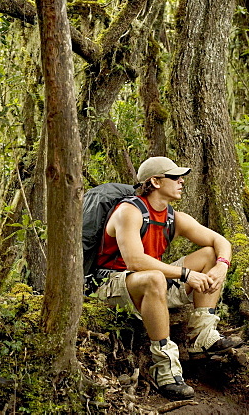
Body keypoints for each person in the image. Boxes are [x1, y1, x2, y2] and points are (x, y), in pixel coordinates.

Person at [93, 156, 241, 401]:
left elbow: (220, 241)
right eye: (174, 177)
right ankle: (165, 368)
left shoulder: (173, 217)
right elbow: (135, 262)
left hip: (150, 282)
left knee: (209, 254)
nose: (181, 181)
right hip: (111, 284)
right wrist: (186, 274)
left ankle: (203, 336)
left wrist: (221, 266)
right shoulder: (129, 212)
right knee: (154, 278)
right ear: (156, 181)